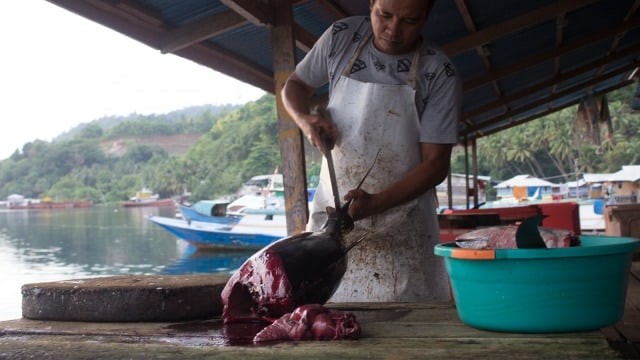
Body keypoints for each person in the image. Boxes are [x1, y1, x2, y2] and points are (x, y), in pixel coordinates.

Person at [282, 0, 461, 302]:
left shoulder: (439, 71)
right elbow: (296, 84)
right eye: (384, 15)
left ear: (427, 18)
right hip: (333, 215)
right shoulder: (342, 36)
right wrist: (304, 119)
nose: (393, 30)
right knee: (324, 310)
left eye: (409, 21)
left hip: (404, 228)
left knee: (406, 327)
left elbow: (435, 164)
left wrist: (376, 203)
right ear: (371, 5)